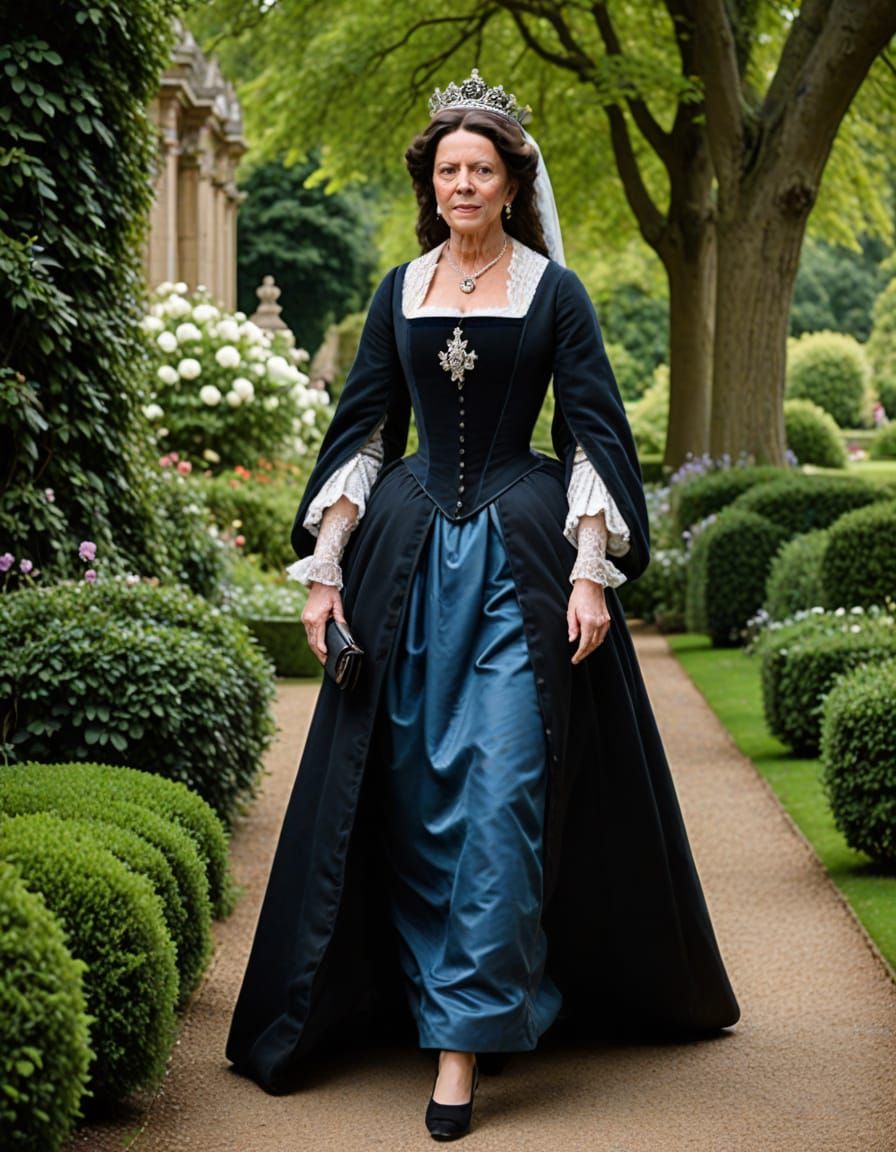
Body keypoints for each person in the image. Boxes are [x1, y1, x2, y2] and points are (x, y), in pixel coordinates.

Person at [226, 69, 739, 1141]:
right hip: (406, 567)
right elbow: (364, 430)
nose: (463, 183)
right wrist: (324, 571)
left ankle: (461, 1045)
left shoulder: (554, 293)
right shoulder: (396, 290)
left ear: (510, 184)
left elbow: (594, 431)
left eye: (482, 169)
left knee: (502, 792)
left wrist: (591, 569)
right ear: (435, 182)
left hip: (519, 563)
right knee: (412, 799)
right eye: (449, 168)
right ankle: (423, 996)